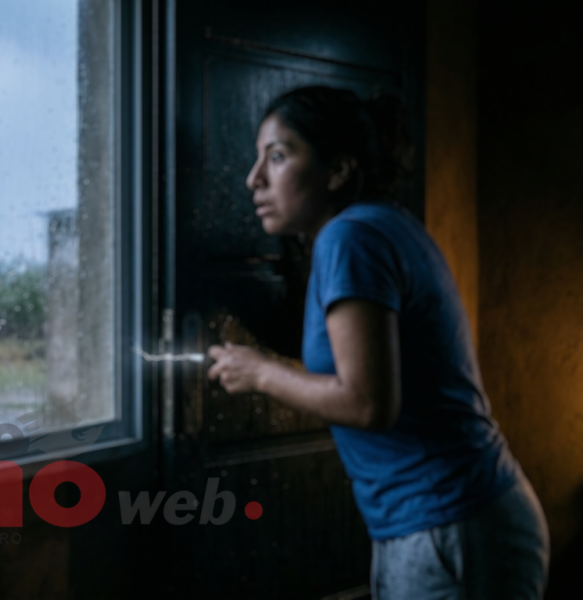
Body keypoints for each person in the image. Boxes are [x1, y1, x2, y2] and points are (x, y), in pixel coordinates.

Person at [206, 86, 549, 599]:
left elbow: (368, 403)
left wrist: (260, 374)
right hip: (451, 521)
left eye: (277, 156)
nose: (253, 178)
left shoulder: (352, 237)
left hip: (447, 526)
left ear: (338, 170)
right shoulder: (378, 225)